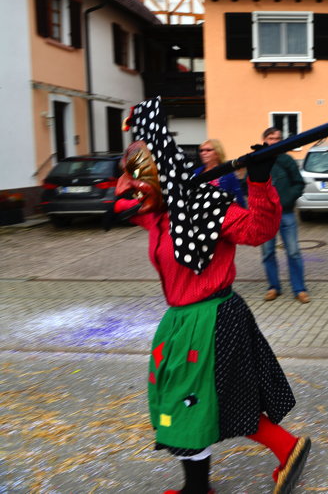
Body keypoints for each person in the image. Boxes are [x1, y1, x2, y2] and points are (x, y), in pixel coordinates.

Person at [114, 98, 310, 494]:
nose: (127, 184)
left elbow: (258, 231)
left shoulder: (205, 208)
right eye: (126, 174)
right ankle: (278, 451)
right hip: (180, 320)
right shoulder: (158, 214)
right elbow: (120, 205)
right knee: (197, 398)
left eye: (136, 174)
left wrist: (259, 182)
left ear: (160, 175)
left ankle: (269, 456)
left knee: (200, 399)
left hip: (213, 317)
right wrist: (143, 150)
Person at [260, 127, 310, 304]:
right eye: (271, 138)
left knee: (294, 251)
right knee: (267, 252)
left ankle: (299, 289)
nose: (274, 141)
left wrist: (286, 200)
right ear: (264, 140)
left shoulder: (287, 160)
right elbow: (248, 185)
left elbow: (299, 183)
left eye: (278, 138)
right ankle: (273, 287)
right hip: (265, 216)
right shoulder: (258, 160)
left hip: (286, 214)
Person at [194, 139, 246, 207]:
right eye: (201, 150)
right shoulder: (195, 172)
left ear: (217, 153)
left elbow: (238, 199)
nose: (203, 153)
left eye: (208, 150)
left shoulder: (227, 174)